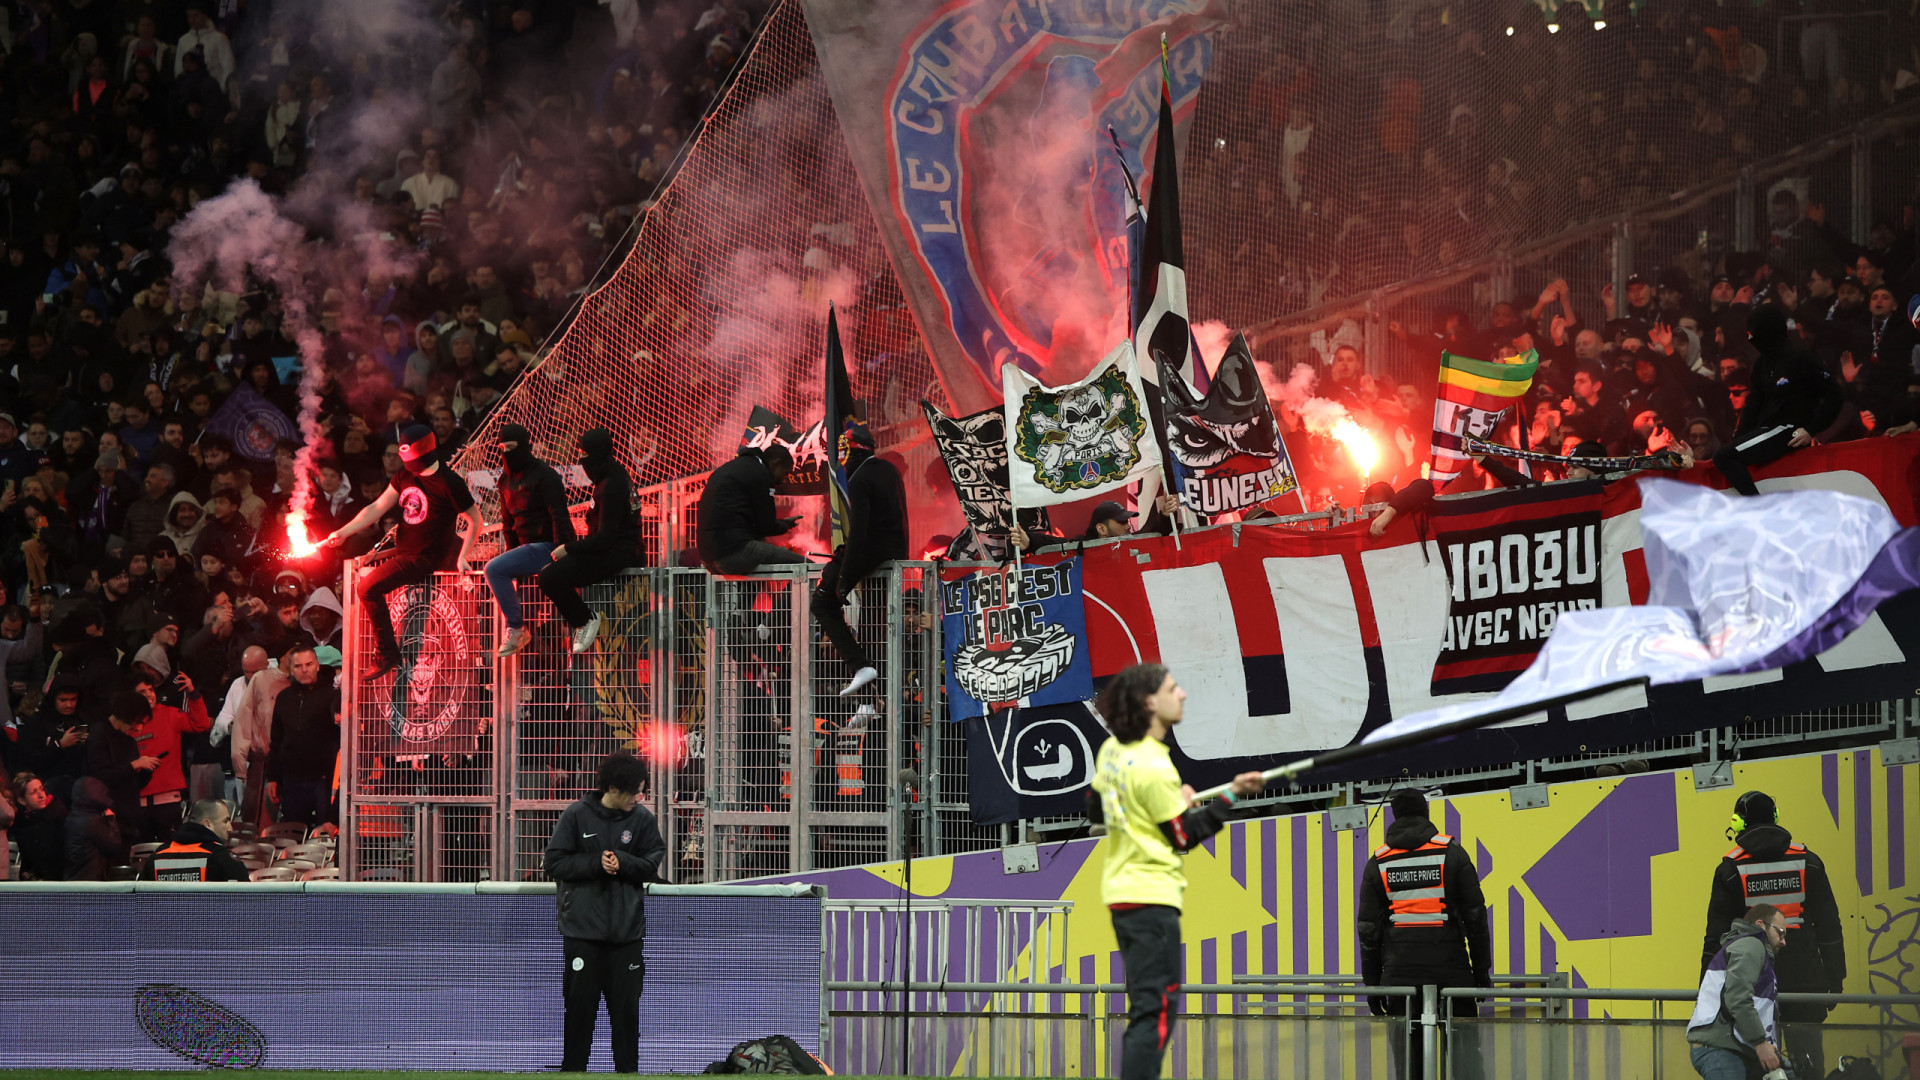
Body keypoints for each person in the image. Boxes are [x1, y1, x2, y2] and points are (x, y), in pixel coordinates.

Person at [1085, 663, 1264, 1080]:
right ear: (1151, 702)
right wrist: (1230, 797)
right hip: (1151, 897)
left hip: (1122, 894)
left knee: (1146, 1007)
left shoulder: (1113, 751)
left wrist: (1170, 802)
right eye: (1172, 688)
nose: (1181, 694)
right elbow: (1183, 835)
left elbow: (1097, 808)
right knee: (1155, 1011)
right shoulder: (1155, 765)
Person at [1701, 791, 1845, 1077]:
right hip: (1805, 985)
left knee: (1761, 1066)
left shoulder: (1731, 870)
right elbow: (1829, 927)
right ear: (1776, 817)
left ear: (1738, 822)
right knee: (1809, 1066)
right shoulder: (1808, 862)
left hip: (1753, 986)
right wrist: (1835, 978)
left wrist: (1708, 993)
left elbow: (1716, 938)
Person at [320, 424, 478, 679]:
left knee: (366, 588)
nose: (409, 464)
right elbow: (376, 508)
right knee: (370, 590)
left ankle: (386, 653)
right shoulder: (404, 476)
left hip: (426, 557)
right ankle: (390, 653)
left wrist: (463, 556)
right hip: (405, 553)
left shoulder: (449, 482)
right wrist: (343, 532)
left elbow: (475, 520)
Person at [543, 751, 667, 1074]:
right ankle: (573, 1072)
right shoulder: (576, 816)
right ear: (614, 787)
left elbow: (652, 863)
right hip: (582, 937)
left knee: (626, 1018)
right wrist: (595, 863)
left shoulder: (642, 820)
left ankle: (627, 1073)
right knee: (579, 1016)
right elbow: (554, 863)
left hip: (627, 938)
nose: (638, 799)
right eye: (634, 792)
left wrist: (624, 863)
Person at [1357, 789, 1492, 1080]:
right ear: (1425, 813)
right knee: (1465, 1059)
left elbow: (1368, 930)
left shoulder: (1378, 862)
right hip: (1452, 972)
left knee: (1410, 1064)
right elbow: (1475, 916)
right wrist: (1481, 970)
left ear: (1395, 817)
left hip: (1400, 978)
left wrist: (1373, 984)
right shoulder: (1450, 852)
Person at [812, 422, 906, 696]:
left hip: (870, 555)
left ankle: (858, 667)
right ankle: (870, 699)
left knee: (822, 602)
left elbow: (860, 533)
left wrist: (845, 578)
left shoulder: (860, 479)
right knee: (872, 630)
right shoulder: (888, 470)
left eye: (843, 453)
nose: (841, 461)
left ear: (852, 452)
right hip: (892, 556)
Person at [1713, 306, 1843, 496]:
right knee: (1725, 454)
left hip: (1790, 430)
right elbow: (1753, 405)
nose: (1750, 340)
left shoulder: (1801, 358)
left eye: (1753, 334)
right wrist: (1737, 440)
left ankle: (1758, 509)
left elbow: (1835, 395)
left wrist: (1811, 429)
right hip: (1767, 429)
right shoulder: (1761, 363)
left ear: (1767, 332)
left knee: (1724, 457)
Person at [538, 428, 638, 655]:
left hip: (617, 553)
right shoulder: (611, 477)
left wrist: (569, 549)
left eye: (585, 456)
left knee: (550, 577)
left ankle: (585, 620)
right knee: (551, 572)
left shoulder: (612, 485)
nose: (582, 463)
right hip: (613, 549)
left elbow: (606, 538)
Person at [485, 423, 576, 658]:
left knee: (493, 569)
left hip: (547, 547)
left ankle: (515, 628)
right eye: (502, 448)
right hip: (526, 552)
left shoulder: (545, 475)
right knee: (526, 611)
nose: (506, 453)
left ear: (526, 447)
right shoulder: (504, 480)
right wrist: (512, 557)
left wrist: (561, 549)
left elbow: (559, 514)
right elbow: (508, 524)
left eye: (511, 447)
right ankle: (534, 677)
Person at [1687, 904, 1790, 1080]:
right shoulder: (1752, 945)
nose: (1783, 941)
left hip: (1725, 1047)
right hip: (1722, 1047)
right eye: (1780, 932)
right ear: (1760, 925)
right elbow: (1738, 999)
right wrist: (1760, 1043)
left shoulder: (1747, 947)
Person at [129, 668, 212, 842]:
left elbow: (201, 724)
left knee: (172, 854)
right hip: (137, 802)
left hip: (168, 801)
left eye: (151, 690)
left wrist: (192, 693)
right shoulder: (125, 723)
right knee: (143, 856)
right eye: (142, 692)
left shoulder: (169, 714)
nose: (149, 695)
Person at [695, 445, 803, 574]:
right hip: (732, 551)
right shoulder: (760, 474)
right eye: (785, 473)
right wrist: (784, 525)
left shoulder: (736, 468)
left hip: (708, 557)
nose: (784, 480)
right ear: (775, 464)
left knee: (758, 576)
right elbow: (766, 526)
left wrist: (781, 523)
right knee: (807, 566)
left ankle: (754, 595)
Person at [265, 647, 341, 827]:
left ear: (317, 666)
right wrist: (273, 777)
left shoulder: (333, 695)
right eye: (298, 666)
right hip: (292, 780)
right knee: (293, 832)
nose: (304, 669)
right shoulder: (284, 698)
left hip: (324, 778)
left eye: (309, 664)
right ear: (291, 669)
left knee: (327, 832)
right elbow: (276, 740)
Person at [85, 689, 161, 841]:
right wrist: (134, 765)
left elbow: (133, 784)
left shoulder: (129, 741)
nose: (139, 729)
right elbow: (99, 776)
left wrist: (147, 770)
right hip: (106, 817)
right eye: (137, 722)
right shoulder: (99, 734)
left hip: (129, 817)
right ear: (126, 716)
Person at [140, 798, 248, 881]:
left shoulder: (158, 855)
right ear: (207, 824)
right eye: (226, 821)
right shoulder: (220, 856)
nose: (230, 828)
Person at [64, 775, 128, 880]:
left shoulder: (72, 817)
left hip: (74, 878)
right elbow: (114, 846)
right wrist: (111, 820)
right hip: (89, 881)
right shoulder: (92, 821)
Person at [10, 773, 70, 880]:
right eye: (33, 792)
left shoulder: (58, 814)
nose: (41, 795)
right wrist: (26, 874)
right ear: (21, 800)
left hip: (62, 882)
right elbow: (27, 859)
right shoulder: (21, 823)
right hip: (38, 883)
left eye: (41, 789)